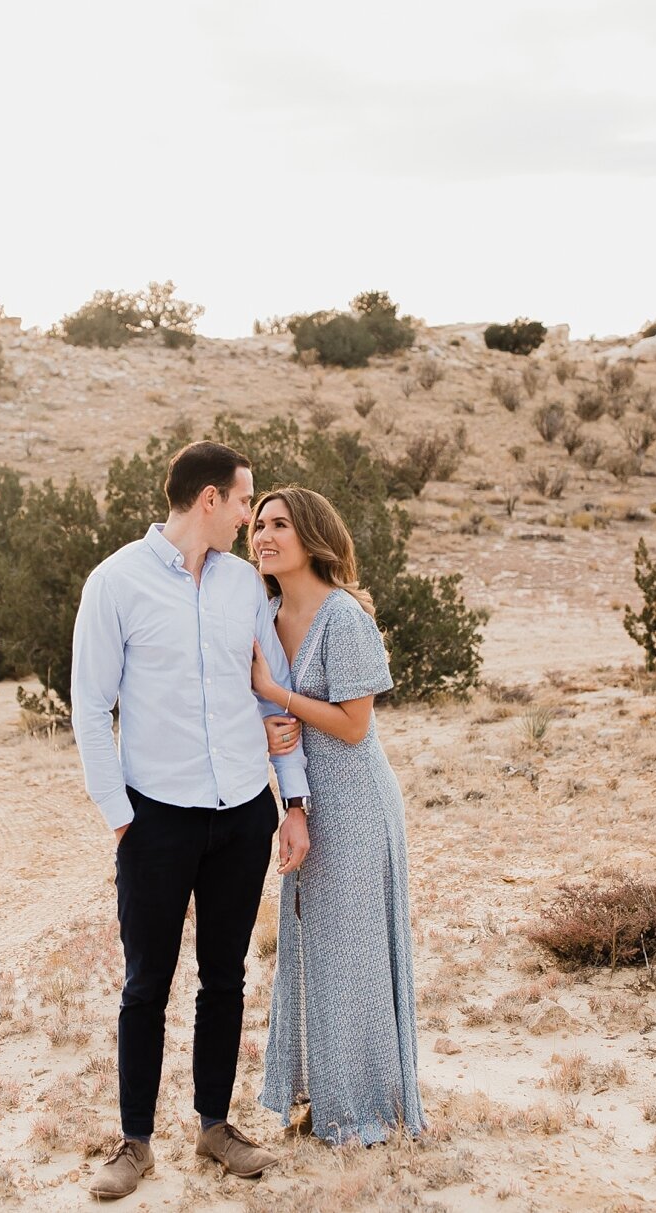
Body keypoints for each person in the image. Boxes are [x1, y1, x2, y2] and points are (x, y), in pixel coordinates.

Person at [70, 441, 311, 1200]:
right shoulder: (115, 583)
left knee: (225, 976)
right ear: (209, 500)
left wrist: (292, 801)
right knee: (146, 983)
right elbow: (90, 706)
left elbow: (273, 695)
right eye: (244, 501)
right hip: (156, 820)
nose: (250, 516)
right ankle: (134, 1142)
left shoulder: (245, 585)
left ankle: (214, 1126)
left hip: (242, 814)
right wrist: (119, 815)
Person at [247, 486, 424, 1145]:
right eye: (258, 523)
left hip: (354, 800)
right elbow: (264, 715)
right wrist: (269, 725)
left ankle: (367, 1112)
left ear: (312, 536)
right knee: (310, 946)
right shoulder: (264, 614)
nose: (263, 534)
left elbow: (354, 725)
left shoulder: (343, 616)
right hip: (302, 801)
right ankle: (321, 1099)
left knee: (352, 952)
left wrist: (278, 694)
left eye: (280, 524)